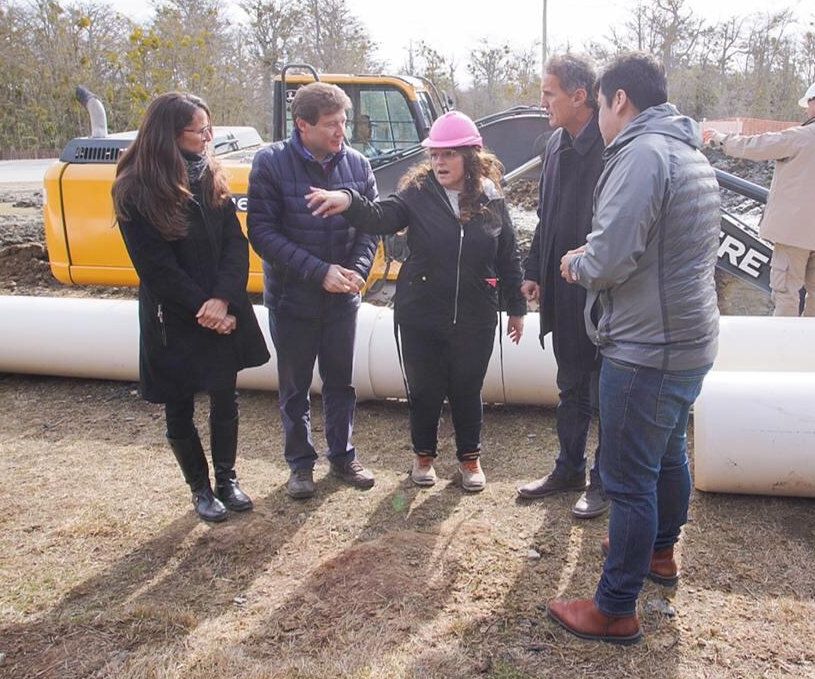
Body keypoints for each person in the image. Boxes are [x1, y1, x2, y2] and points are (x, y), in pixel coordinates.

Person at [546, 52, 720, 645]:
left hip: (646, 346)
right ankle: (660, 555)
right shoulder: (686, 149)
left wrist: (575, 263)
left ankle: (616, 606)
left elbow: (610, 257)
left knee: (627, 476)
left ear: (619, 99)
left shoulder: (641, 155)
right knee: (669, 452)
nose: (596, 118)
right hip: (689, 340)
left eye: (600, 105)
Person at [305, 111, 526, 492]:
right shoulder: (417, 193)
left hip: (475, 313)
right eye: (435, 155)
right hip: (421, 313)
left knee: (467, 389)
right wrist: (349, 201)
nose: (440, 162)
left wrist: (517, 308)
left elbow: (507, 255)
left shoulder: (491, 198)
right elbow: (381, 215)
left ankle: (469, 461)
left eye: (449, 155)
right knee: (424, 389)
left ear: (470, 157)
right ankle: (423, 458)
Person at [113, 92, 271, 522]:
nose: (208, 138)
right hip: (174, 315)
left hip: (221, 307)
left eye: (208, 128)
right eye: (199, 131)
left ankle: (227, 479)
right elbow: (155, 267)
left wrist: (222, 299)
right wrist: (204, 307)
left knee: (225, 397)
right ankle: (200, 489)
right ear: (168, 135)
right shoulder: (133, 190)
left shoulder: (210, 175)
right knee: (178, 404)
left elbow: (235, 245)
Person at [247, 82, 380, 499]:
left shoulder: (358, 166)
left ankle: (342, 456)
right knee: (295, 388)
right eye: (331, 125)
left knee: (341, 382)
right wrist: (318, 271)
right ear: (302, 125)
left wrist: (356, 270)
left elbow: (369, 225)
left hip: (342, 299)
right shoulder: (270, 164)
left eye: (343, 122)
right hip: (292, 299)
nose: (341, 131)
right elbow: (262, 233)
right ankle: (300, 465)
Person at [516, 54, 609, 519]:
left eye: (549, 93)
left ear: (580, 96)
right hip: (563, 291)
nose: (543, 103)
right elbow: (544, 215)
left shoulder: (613, 146)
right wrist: (533, 269)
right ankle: (569, 468)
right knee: (570, 385)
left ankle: (603, 480)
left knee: (605, 392)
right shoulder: (554, 145)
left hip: (605, 295)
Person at [703, 77, 815, 317]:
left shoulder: (800, 137)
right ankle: (811, 348)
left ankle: (785, 348)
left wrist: (721, 138)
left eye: (809, 103)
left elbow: (754, 146)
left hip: (793, 235)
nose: (808, 109)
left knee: (786, 293)